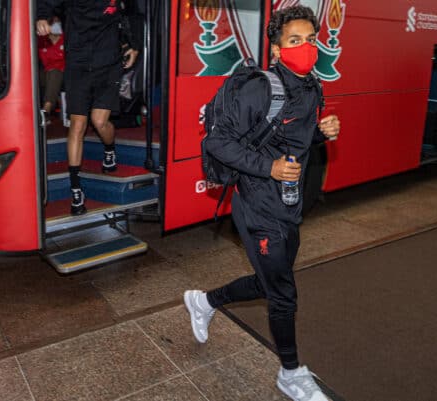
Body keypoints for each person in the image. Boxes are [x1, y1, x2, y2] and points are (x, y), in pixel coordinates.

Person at [184, 6, 340, 401]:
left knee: (272, 282)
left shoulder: (311, 86)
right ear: (275, 49)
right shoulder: (261, 86)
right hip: (256, 206)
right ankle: (291, 373)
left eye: (310, 39)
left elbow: (292, 144)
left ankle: (205, 301)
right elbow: (217, 142)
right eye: (294, 40)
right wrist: (268, 168)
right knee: (284, 293)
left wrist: (321, 133)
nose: (305, 48)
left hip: (288, 205)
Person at [36, 1, 139, 215]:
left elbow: (133, 12)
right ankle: (76, 190)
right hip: (78, 62)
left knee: (99, 121)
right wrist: (41, 17)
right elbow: (46, 3)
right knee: (78, 124)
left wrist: (135, 45)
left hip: (108, 63)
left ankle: (110, 149)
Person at [37, 16, 65, 126]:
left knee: (54, 73)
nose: (56, 25)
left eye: (58, 22)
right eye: (54, 23)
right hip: (45, 72)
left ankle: (46, 111)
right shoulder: (42, 40)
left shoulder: (66, 39)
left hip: (62, 72)